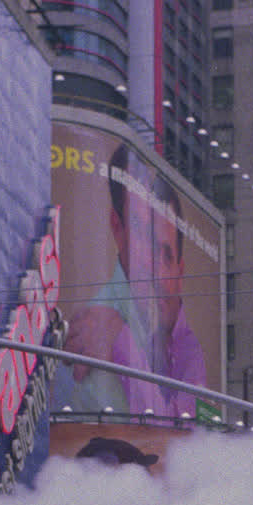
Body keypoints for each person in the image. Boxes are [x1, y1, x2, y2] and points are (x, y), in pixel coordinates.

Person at [56, 144, 207, 418]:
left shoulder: (167, 334)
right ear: (117, 227)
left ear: (181, 270)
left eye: (165, 252)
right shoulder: (96, 332)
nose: (150, 258)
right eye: (139, 228)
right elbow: (151, 443)